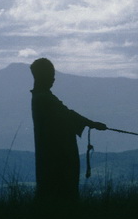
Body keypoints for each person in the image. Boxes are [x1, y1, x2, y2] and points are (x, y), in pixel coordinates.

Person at [30, 57, 107, 204]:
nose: (53, 79)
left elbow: (67, 114)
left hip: (49, 153)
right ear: (43, 76)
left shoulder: (41, 97)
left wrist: (91, 123)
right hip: (58, 154)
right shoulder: (44, 98)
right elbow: (67, 115)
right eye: (51, 75)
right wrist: (92, 123)